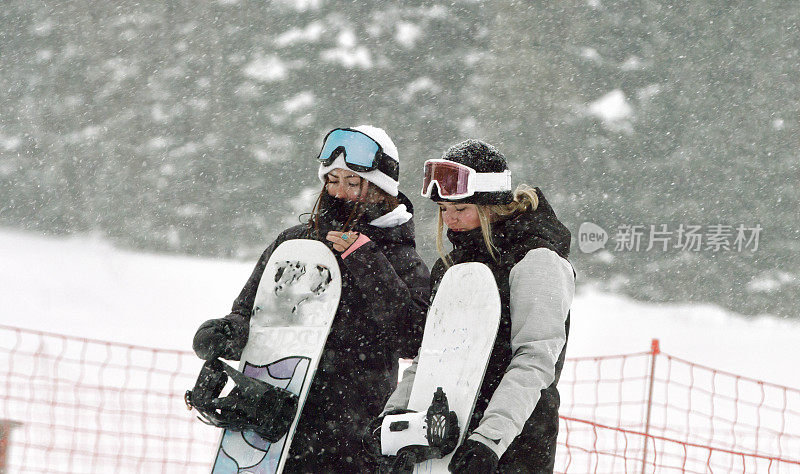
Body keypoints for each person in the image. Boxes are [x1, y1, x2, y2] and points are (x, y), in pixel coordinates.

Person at [192, 126, 431, 472]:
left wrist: (366, 260)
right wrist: (227, 332)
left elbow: (412, 336)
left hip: (351, 430)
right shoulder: (293, 244)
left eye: (354, 183)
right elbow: (250, 311)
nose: (341, 192)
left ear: (381, 191)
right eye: (333, 180)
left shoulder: (400, 255)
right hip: (277, 417)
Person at [378, 139, 575, 473]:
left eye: (461, 209)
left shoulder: (536, 259)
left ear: (491, 207)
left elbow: (535, 361)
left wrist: (489, 441)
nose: (450, 219)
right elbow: (432, 353)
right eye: (443, 210)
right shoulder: (452, 265)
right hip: (448, 428)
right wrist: (394, 415)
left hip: (514, 438)